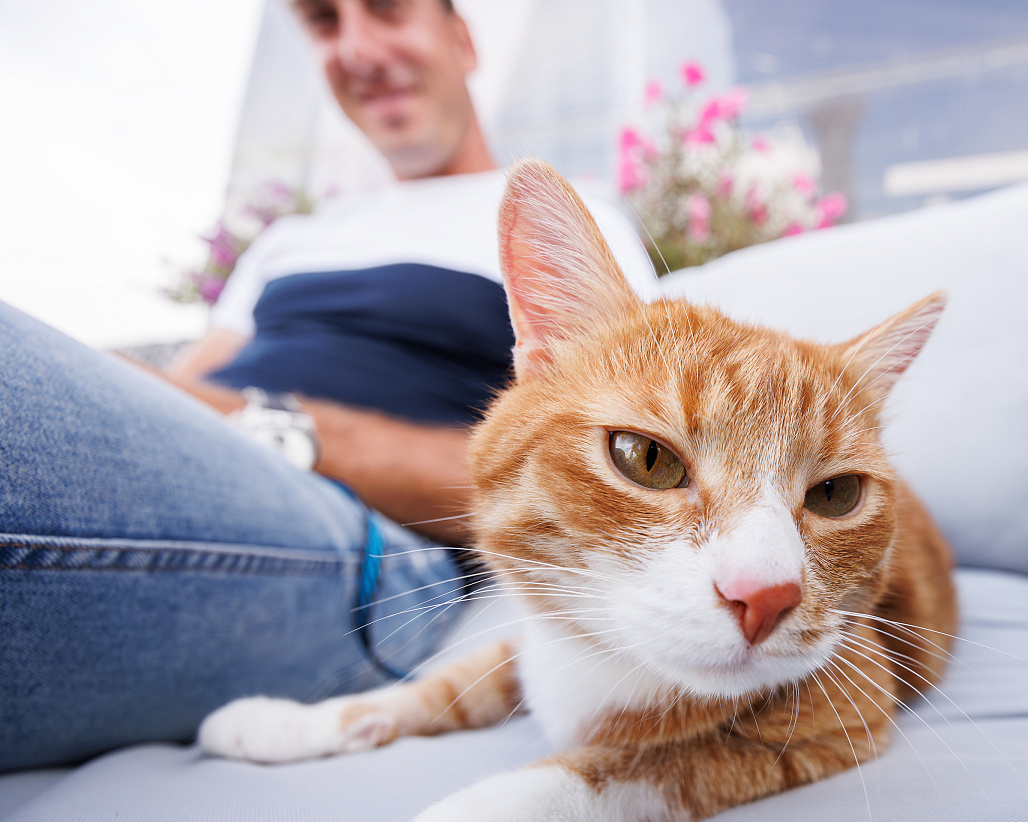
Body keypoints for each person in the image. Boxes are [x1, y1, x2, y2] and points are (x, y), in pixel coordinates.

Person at [0, 0, 656, 772]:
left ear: (462, 37)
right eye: (323, 21)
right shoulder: (290, 241)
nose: (357, 47)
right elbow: (160, 412)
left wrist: (293, 434)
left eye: (385, 10)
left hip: (368, 542)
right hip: (205, 477)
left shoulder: (566, 228)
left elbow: (609, 473)